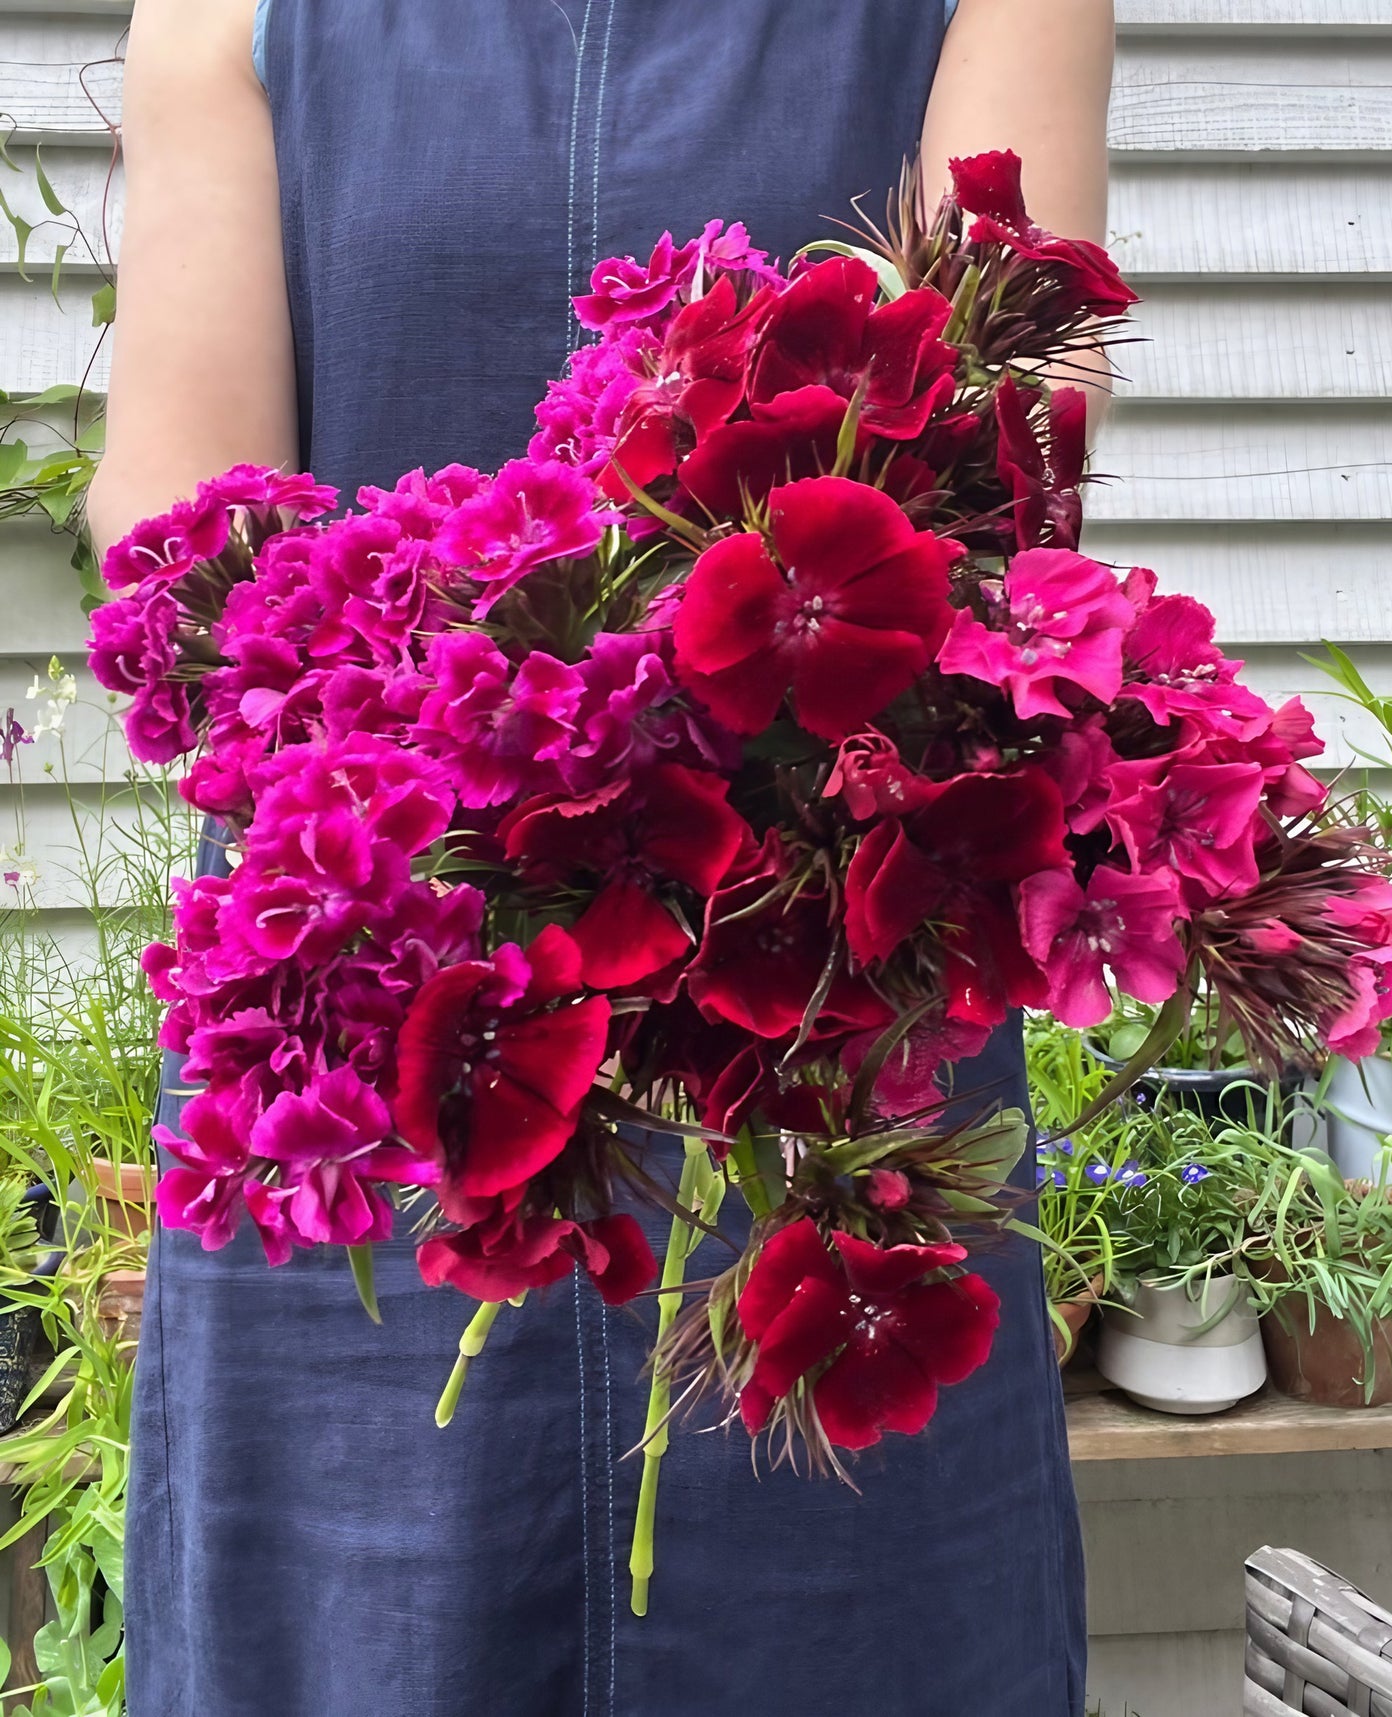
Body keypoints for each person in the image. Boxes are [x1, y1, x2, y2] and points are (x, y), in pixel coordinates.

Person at [90, 2, 1117, 1711]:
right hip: (377, 1051)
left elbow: (1000, 473)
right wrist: (480, 768)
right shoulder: (230, 12)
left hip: (817, 1023)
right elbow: (185, 533)